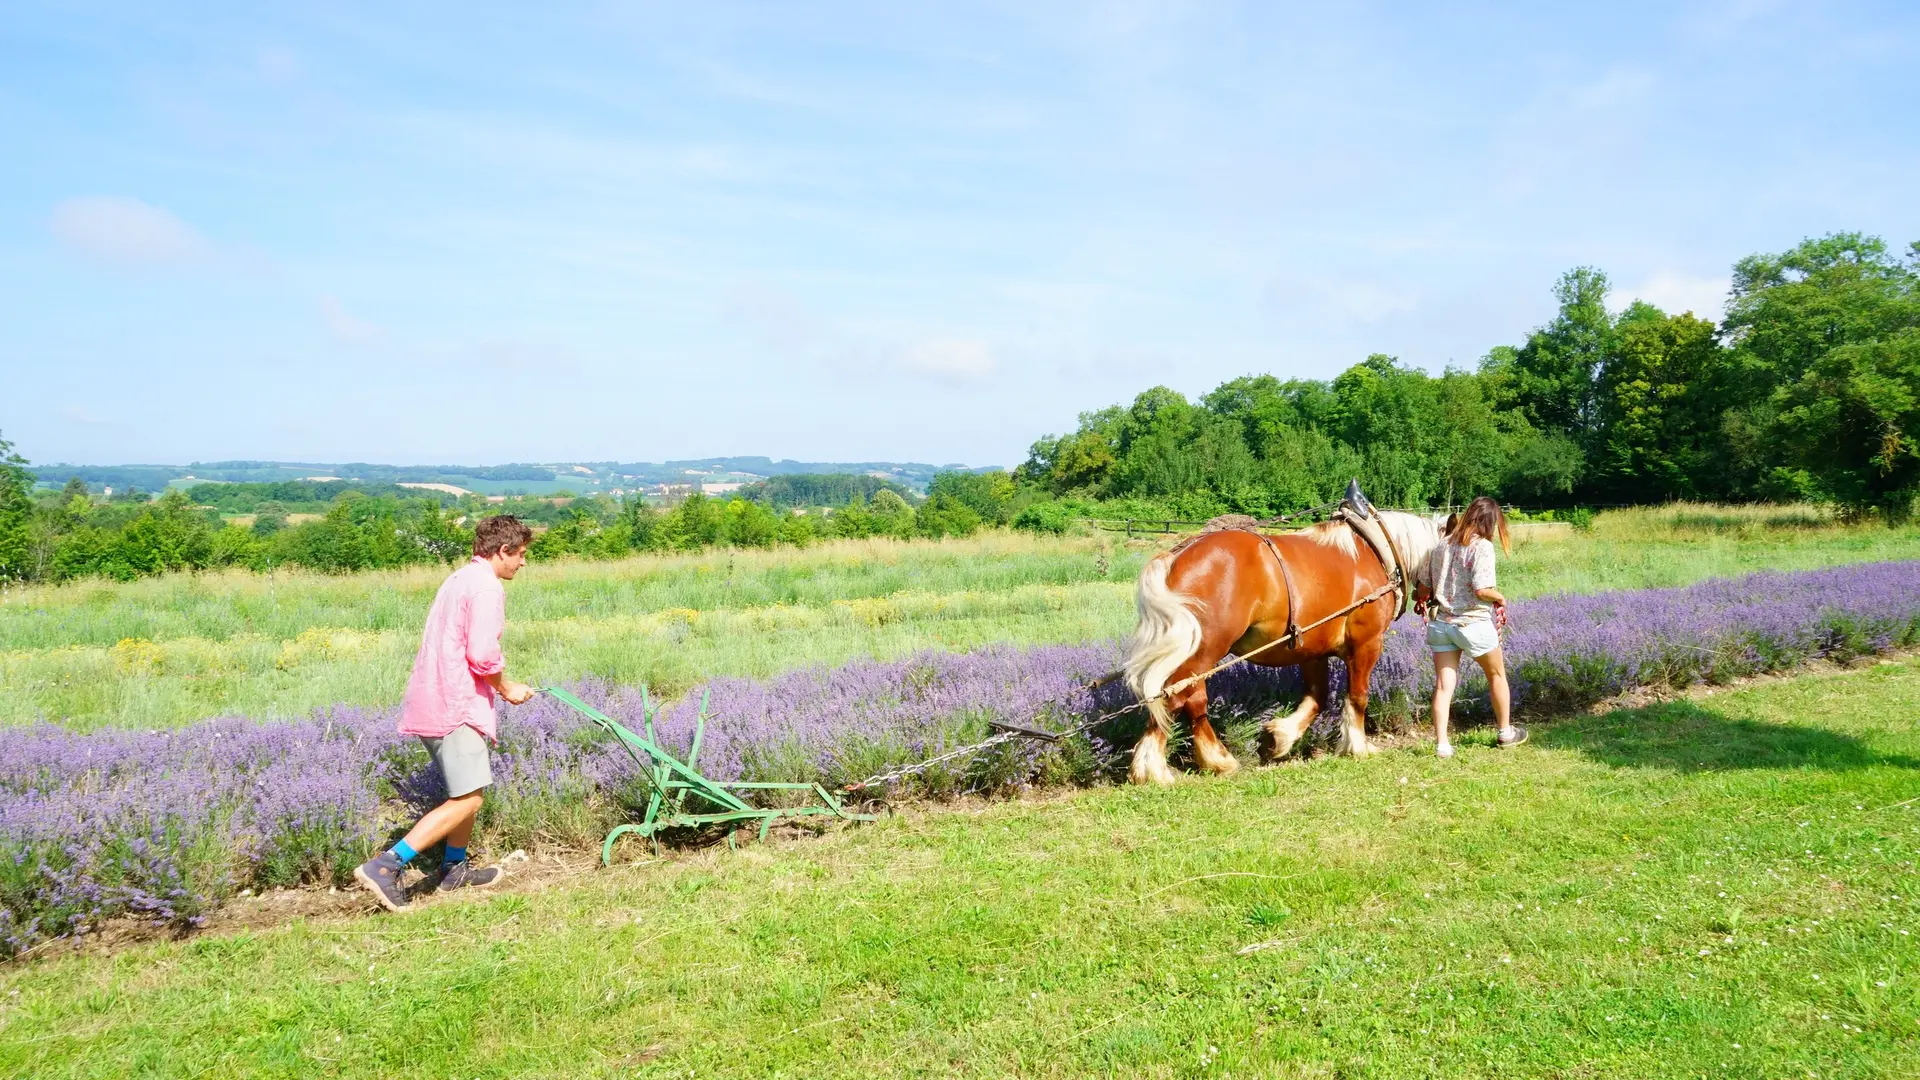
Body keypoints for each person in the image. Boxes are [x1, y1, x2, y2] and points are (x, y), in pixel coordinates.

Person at [354, 515, 536, 910]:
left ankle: (454, 869)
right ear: (502, 551)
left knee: (470, 790)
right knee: (468, 801)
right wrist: (507, 688)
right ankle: (386, 866)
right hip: (456, 706)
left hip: (434, 698)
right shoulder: (487, 588)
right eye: (520, 555)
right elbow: (483, 656)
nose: (523, 563)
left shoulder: (459, 578)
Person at [1415, 496, 1526, 758]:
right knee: (1496, 675)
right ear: (1490, 522)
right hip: (1473, 624)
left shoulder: (1440, 546)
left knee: (1443, 685)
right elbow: (1481, 589)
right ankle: (1505, 732)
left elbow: (1422, 588)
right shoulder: (1482, 547)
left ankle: (1442, 745)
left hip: (1442, 624)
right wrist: (1498, 597)